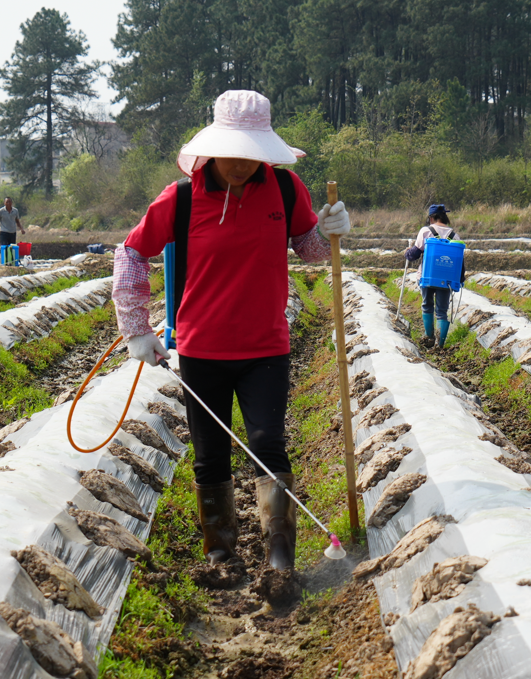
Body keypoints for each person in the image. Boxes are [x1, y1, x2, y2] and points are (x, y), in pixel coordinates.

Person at [111, 90, 351, 570]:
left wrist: (330, 233)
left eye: (252, 154)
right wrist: (136, 329)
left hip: (266, 344)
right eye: (233, 154)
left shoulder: (286, 191)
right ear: (214, 146)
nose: (242, 164)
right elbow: (132, 252)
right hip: (204, 347)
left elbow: (309, 249)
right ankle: (220, 549)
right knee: (210, 455)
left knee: (267, 442)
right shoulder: (182, 197)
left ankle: (280, 549)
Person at [404, 204, 459, 348]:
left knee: (427, 305)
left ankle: (428, 336)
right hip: (446, 280)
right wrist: (459, 280)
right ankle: (439, 345)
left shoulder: (426, 231)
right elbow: (459, 261)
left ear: (431, 218)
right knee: (442, 311)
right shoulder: (454, 235)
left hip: (427, 277)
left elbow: (414, 254)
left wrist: (407, 252)